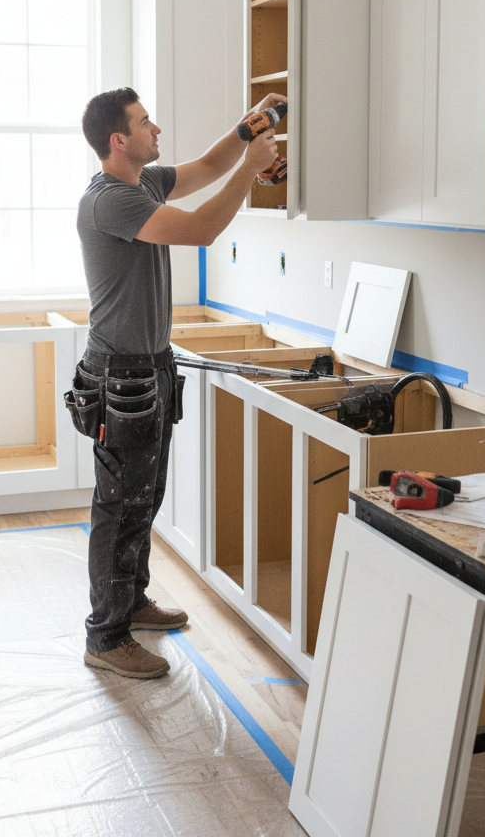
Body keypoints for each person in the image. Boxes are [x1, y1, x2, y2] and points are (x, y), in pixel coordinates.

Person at [74, 86, 284, 679]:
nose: (157, 128)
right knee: (119, 507)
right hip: (121, 377)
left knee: (145, 497)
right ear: (119, 140)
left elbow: (207, 167)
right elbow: (200, 230)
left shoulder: (143, 182)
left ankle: (132, 601)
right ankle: (105, 636)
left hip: (150, 369)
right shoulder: (111, 201)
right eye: (145, 122)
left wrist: (246, 130)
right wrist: (252, 168)